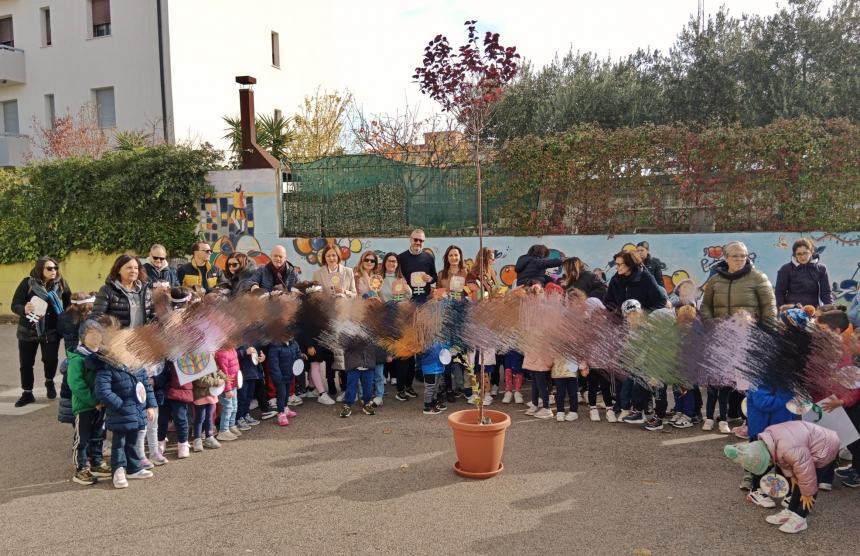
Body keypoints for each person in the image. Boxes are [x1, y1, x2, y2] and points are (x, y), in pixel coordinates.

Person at [724, 421, 839, 534]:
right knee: (798, 482)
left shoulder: (789, 448)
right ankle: (790, 511)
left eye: (767, 464)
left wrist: (808, 493)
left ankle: (800, 517)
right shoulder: (769, 441)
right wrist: (792, 475)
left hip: (825, 446)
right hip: (805, 446)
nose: (770, 466)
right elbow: (782, 460)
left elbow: (807, 474)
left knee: (809, 483)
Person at [92, 338, 156, 489]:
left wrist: (150, 405)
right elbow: (102, 391)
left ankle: (134, 468)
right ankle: (118, 470)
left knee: (133, 440)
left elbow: (146, 386)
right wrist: (119, 405)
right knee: (119, 443)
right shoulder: (107, 368)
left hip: (137, 410)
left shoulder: (137, 366)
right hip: (120, 413)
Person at [11, 256, 72, 406]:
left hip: (51, 331)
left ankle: (49, 381)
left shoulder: (61, 284)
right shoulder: (28, 283)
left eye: (56, 268)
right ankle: (27, 393)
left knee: (50, 360)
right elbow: (15, 304)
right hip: (28, 330)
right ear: (40, 269)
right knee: (26, 363)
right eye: (49, 268)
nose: (54, 271)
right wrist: (23, 308)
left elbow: (69, 305)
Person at [67, 320, 111, 485]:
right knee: (82, 439)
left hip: (100, 405)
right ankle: (81, 468)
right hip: (85, 406)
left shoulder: (101, 356)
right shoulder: (77, 359)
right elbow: (76, 384)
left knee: (98, 435)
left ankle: (97, 463)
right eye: (91, 334)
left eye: (98, 333)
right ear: (83, 337)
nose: (95, 337)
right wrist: (94, 401)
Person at [700, 241, 777, 325]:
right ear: (726, 258)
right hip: (720, 333)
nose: (739, 259)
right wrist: (709, 324)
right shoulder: (714, 280)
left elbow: (769, 307)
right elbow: (706, 306)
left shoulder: (758, 278)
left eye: (743, 256)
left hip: (750, 333)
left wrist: (768, 332)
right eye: (735, 256)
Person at [90, 254, 154, 328]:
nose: (133, 271)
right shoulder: (107, 290)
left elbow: (153, 315)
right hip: (117, 338)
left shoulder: (146, 291)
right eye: (129, 268)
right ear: (118, 270)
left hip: (141, 337)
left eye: (136, 268)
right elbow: (97, 316)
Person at [774, 238, 834, 308]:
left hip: (814, 310)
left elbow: (826, 293)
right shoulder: (785, 269)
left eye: (805, 253)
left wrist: (831, 309)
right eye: (799, 254)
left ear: (811, 252)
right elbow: (779, 293)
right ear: (795, 254)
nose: (802, 257)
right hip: (792, 311)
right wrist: (783, 309)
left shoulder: (821, 269)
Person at [603, 250, 667, 314]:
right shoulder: (615, 280)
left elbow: (661, 301)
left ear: (630, 264)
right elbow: (608, 302)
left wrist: (645, 314)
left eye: (619, 264)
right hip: (621, 321)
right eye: (616, 264)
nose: (616, 267)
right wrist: (618, 312)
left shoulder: (646, 278)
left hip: (642, 321)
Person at [398, 229, 437, 303]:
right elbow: (397, 277)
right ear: (410, 239)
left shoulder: (429, 257)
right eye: (415, 240)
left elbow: (434, 276)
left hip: (425, 300)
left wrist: (431, 279)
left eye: (421, 240)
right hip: (407, 300)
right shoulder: (401, 258)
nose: (418, 242)